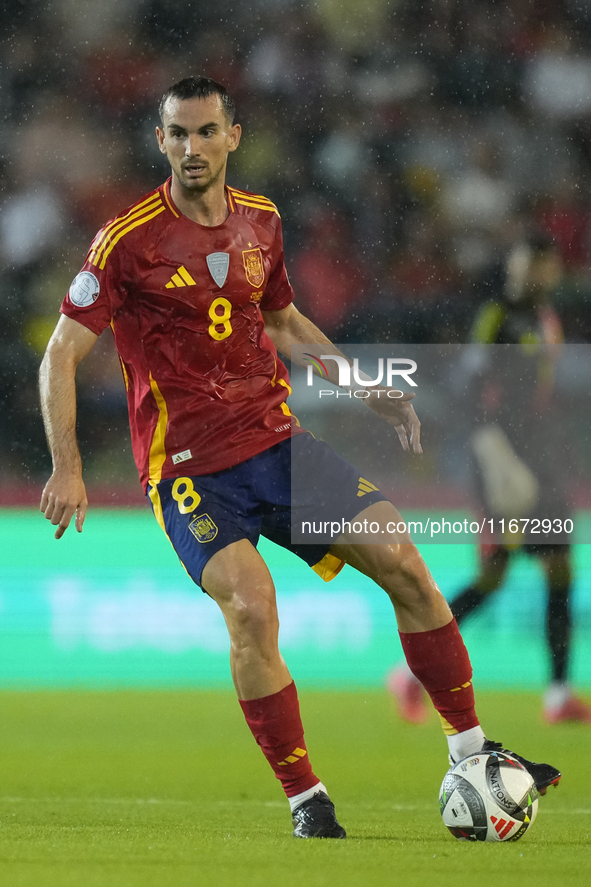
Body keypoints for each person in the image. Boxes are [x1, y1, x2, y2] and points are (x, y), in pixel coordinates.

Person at [39, 77, 561, 839]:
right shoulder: (126, 241)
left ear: (233, 137)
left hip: (276, 445)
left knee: (407, 565)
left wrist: (364, 386)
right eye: (177, 134)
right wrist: (67, 463)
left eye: (206, 132)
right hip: (189, 471)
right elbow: (59, 353)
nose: (192, 148)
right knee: (251, 608)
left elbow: (282, 321)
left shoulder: (261, 223)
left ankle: (471, 752)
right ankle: (304, 795)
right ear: (161, 142)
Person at [389, 233, 591, 726]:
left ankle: (559, 693)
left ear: (551, 271)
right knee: (492, 575)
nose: (528, 276)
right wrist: (498, 459)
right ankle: (410, 673)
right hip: (501, 462)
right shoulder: (497, 317)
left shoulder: (546, 319)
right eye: (522, 266)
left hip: (540, 463)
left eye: (537, 267)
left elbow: (537, 396)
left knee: (560, 570)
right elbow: (472, 396)